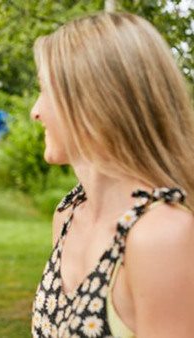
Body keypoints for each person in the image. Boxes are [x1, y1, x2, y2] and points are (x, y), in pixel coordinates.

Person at [30, 12, 194, 337]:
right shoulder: (67, 216)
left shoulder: (161, 235)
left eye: (45, 91)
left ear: (93, 102)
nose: (35, 111)